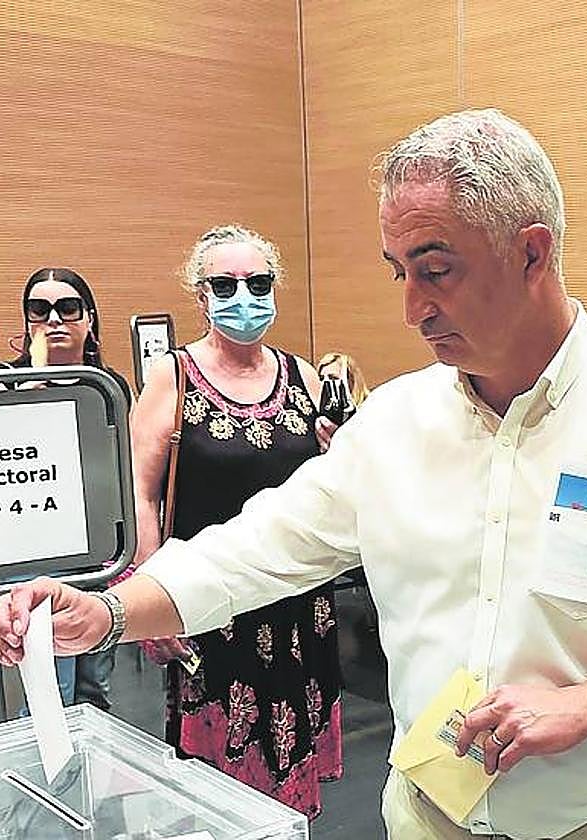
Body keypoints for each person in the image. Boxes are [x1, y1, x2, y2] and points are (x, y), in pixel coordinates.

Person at [0, 110, 587, 840]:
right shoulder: (395, 426)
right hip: (421, 813)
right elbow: (258, 546)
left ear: (532, 251)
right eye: (396, 270)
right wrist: (109, 612)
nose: (411, 309)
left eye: (435, 270)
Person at [126, 225, 341, 818]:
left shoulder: (304, 377)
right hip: (209, 601)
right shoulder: (173, 376)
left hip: (298, 602)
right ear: (201, 296)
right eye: (225, 284)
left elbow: (322, 487)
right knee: (217, 768)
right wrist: (149, 596)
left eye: (257, 282)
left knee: (289, 752)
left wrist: (333, 450)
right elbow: (143, 495)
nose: (243, 296)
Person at [5, 267, 131, 710]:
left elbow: (122, 473)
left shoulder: (110, 388)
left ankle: (90, 776)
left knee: (95, 686)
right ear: (27, 321)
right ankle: (48, 779)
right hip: (32, 554)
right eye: (40, 310)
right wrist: (32, 384)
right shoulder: (3, 383)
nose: (54, 319)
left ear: (89, 318)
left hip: (95, 552)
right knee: (46, 688)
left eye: (67, 307)